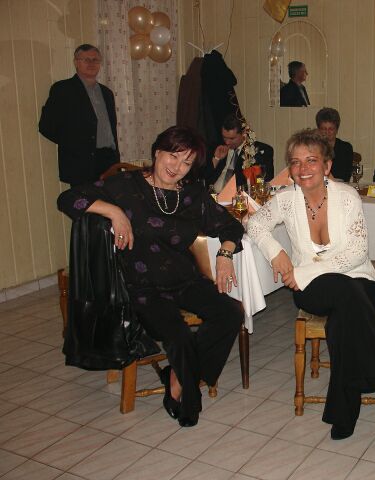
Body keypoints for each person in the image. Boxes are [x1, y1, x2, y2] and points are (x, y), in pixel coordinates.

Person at [57, 126, 244, 428]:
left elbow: (231, 226)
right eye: (173, 156)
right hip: (141, 287)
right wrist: (114, 212)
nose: (177, 167)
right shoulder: (125, 186)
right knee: (179, 335)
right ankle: (187, 396)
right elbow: (68, 198)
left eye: (186, 163)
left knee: (231, 312)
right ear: (157, 152)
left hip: (184, 279)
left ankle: (178, 375)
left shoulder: (192, 195)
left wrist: (225, 254)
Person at [247, 129, 375, 440]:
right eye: (295, 162)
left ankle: (343, 412)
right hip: (315, 291)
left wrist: (303, 272)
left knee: (342, 320)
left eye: (311, 160)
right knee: (346, 295)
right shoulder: (285, 200)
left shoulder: (347, 197)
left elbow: (357, 253)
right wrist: (276, 253)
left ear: (327, 165)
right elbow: (254, 223)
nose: (303, 168)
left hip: (357, 279)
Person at [39, 44, 119, 186]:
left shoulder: (107, 93)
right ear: (76, 62)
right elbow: (46, 127)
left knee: (111, 199)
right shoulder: (63, 90)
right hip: (80, 163)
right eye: (86, 59)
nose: (91, 63)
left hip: (108, 160)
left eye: (95, 60)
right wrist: (74, 144)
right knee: (84, 200)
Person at [204, 114, 274, 192]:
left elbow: (264, 180)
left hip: (239, 196)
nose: (227, 142)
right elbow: (203, 177)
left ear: (243, 133)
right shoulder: (217, 147)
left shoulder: (259, 151)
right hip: (212, 196)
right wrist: (216, 159)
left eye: (232, 138)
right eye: (224, 137)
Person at [316, 107, 354, 182]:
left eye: (331, 129)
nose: (327, 132)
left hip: (339, 185)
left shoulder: (346, 148)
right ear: (318, 130)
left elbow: (345, 176)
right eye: (324, 129)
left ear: (336, 130)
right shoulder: (313, 148)